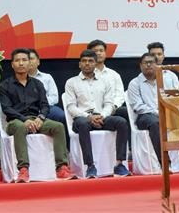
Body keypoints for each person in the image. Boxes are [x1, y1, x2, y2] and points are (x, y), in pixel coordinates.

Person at [0, 48, 74, 182]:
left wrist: (41, 118)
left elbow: (45, 105)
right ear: (12, 64)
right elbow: (7, 108)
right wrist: (24, 120)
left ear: (30, 63)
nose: (21, 63)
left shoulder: (37, 83)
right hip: (15, 122)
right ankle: (23, 170)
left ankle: (61, 167)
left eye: (24, 60)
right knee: (21, 127)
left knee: (58, 126)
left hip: (36, 119)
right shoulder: (5, 85)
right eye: (17, 60)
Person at [64, 50, 130, 179]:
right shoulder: (71, 82)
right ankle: (90, 166)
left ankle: (119, 163)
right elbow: (71, 106)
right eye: (84, 61)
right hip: (82, 118)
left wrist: (102, 116)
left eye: (90, 61)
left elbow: (109, 104)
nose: (87, 64)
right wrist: (88, 117)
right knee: (83, 124)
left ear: (95, 64)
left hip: (102, 117)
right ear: (79, 64)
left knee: (121, 122)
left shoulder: (105, 81)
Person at [126, 53, 178, 164]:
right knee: (155, 123)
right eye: (145, 63)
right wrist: (157, 112)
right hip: (145, 116)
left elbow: (174, 98)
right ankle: (163, 161)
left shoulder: (166, 80)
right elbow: (138, 106)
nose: (149, 65)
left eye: (152, 62)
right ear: (140, 65)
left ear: (157, 64)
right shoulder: (134, 83)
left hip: (167, 113)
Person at [27, 48, 68, 147]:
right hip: (27, 109)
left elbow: (54, 97)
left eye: (31, 58)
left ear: (38, 62)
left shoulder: (47, 77)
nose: (29, 61)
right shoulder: (20, 79)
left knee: (61, 116)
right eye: (26, 59)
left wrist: (42, 105)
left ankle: (66, 147)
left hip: (47, 108)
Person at [87, 40, 128, 122]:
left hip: (112, 110)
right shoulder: (86, 74)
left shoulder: (114, 74)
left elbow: (120, 95)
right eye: (95, 51)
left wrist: (114, 106)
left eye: (101, 51)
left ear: (105, 53)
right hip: (93, 111)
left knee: (126, 112)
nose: (98, 53)